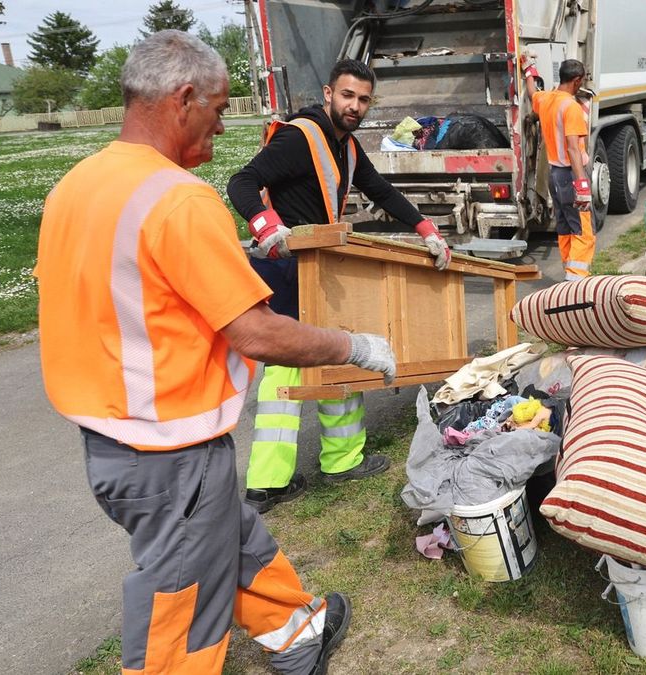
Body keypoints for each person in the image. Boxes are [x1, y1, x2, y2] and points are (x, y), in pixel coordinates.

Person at [34, 31, 393, 674]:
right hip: (168, 444)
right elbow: (258, 333)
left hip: (109, 433)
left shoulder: (77, 185)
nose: (224, 126)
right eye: (221, 109)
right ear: (184, 98)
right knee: (184, 596)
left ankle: (297, 632)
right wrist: (355, 344)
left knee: (232, 539)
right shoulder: (178, 199)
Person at [227, 59, 451, 513]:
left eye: (364, 99)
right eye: (348, 96)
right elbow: (243, 181)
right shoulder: (300, 135)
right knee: (295, 368)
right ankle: (275, 481)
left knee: (332, 355)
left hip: (317, 266)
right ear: (329, 93)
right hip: (287, 267)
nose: (355, 106)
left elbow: (380, 190)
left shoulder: (346, 145)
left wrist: (426, 228)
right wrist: (267, 226)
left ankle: (325, 464)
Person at [522, 56, 595, 281]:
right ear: (576, 80)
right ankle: (576, 280)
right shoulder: (570, 107)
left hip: (554, 174)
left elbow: (532, 92)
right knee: (582, 229)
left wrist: (528, 71)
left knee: (564, 226)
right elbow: (573, 149)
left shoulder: (546, 100)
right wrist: (582, 183)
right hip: (570, 173)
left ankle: (569, 272)